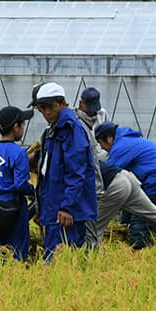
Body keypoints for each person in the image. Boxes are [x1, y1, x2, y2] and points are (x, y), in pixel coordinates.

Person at [32, 82, 96, 255]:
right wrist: (42, 210)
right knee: (58, 260)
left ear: (62, 103)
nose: (46, 113)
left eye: (50, 107)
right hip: (54, 209)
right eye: (42, 109)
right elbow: (49, 173)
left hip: (64, 212)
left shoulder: (70, 129)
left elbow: (76, 171)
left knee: (61, 261)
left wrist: (67, 207)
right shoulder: (54, 129)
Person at [96, 122, 156, 237]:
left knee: (141, 222)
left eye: (101, 143)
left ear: (109, 138)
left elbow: (110, 176)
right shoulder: (132, 140)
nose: (102, 148)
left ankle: (139, 250)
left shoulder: (120, 146)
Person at [0, 106, 34, 260]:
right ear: (16, 127)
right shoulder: (19, 152)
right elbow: (20, 184)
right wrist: (35, 191)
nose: (23, 128)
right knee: (16, 253)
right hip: (14, 208)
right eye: (22, 125)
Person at [89, 163, 156, 249]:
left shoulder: (79, 160)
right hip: (126, 176)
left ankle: (88, 259)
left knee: (93, 229)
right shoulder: (87, 156)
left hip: (114, 184)